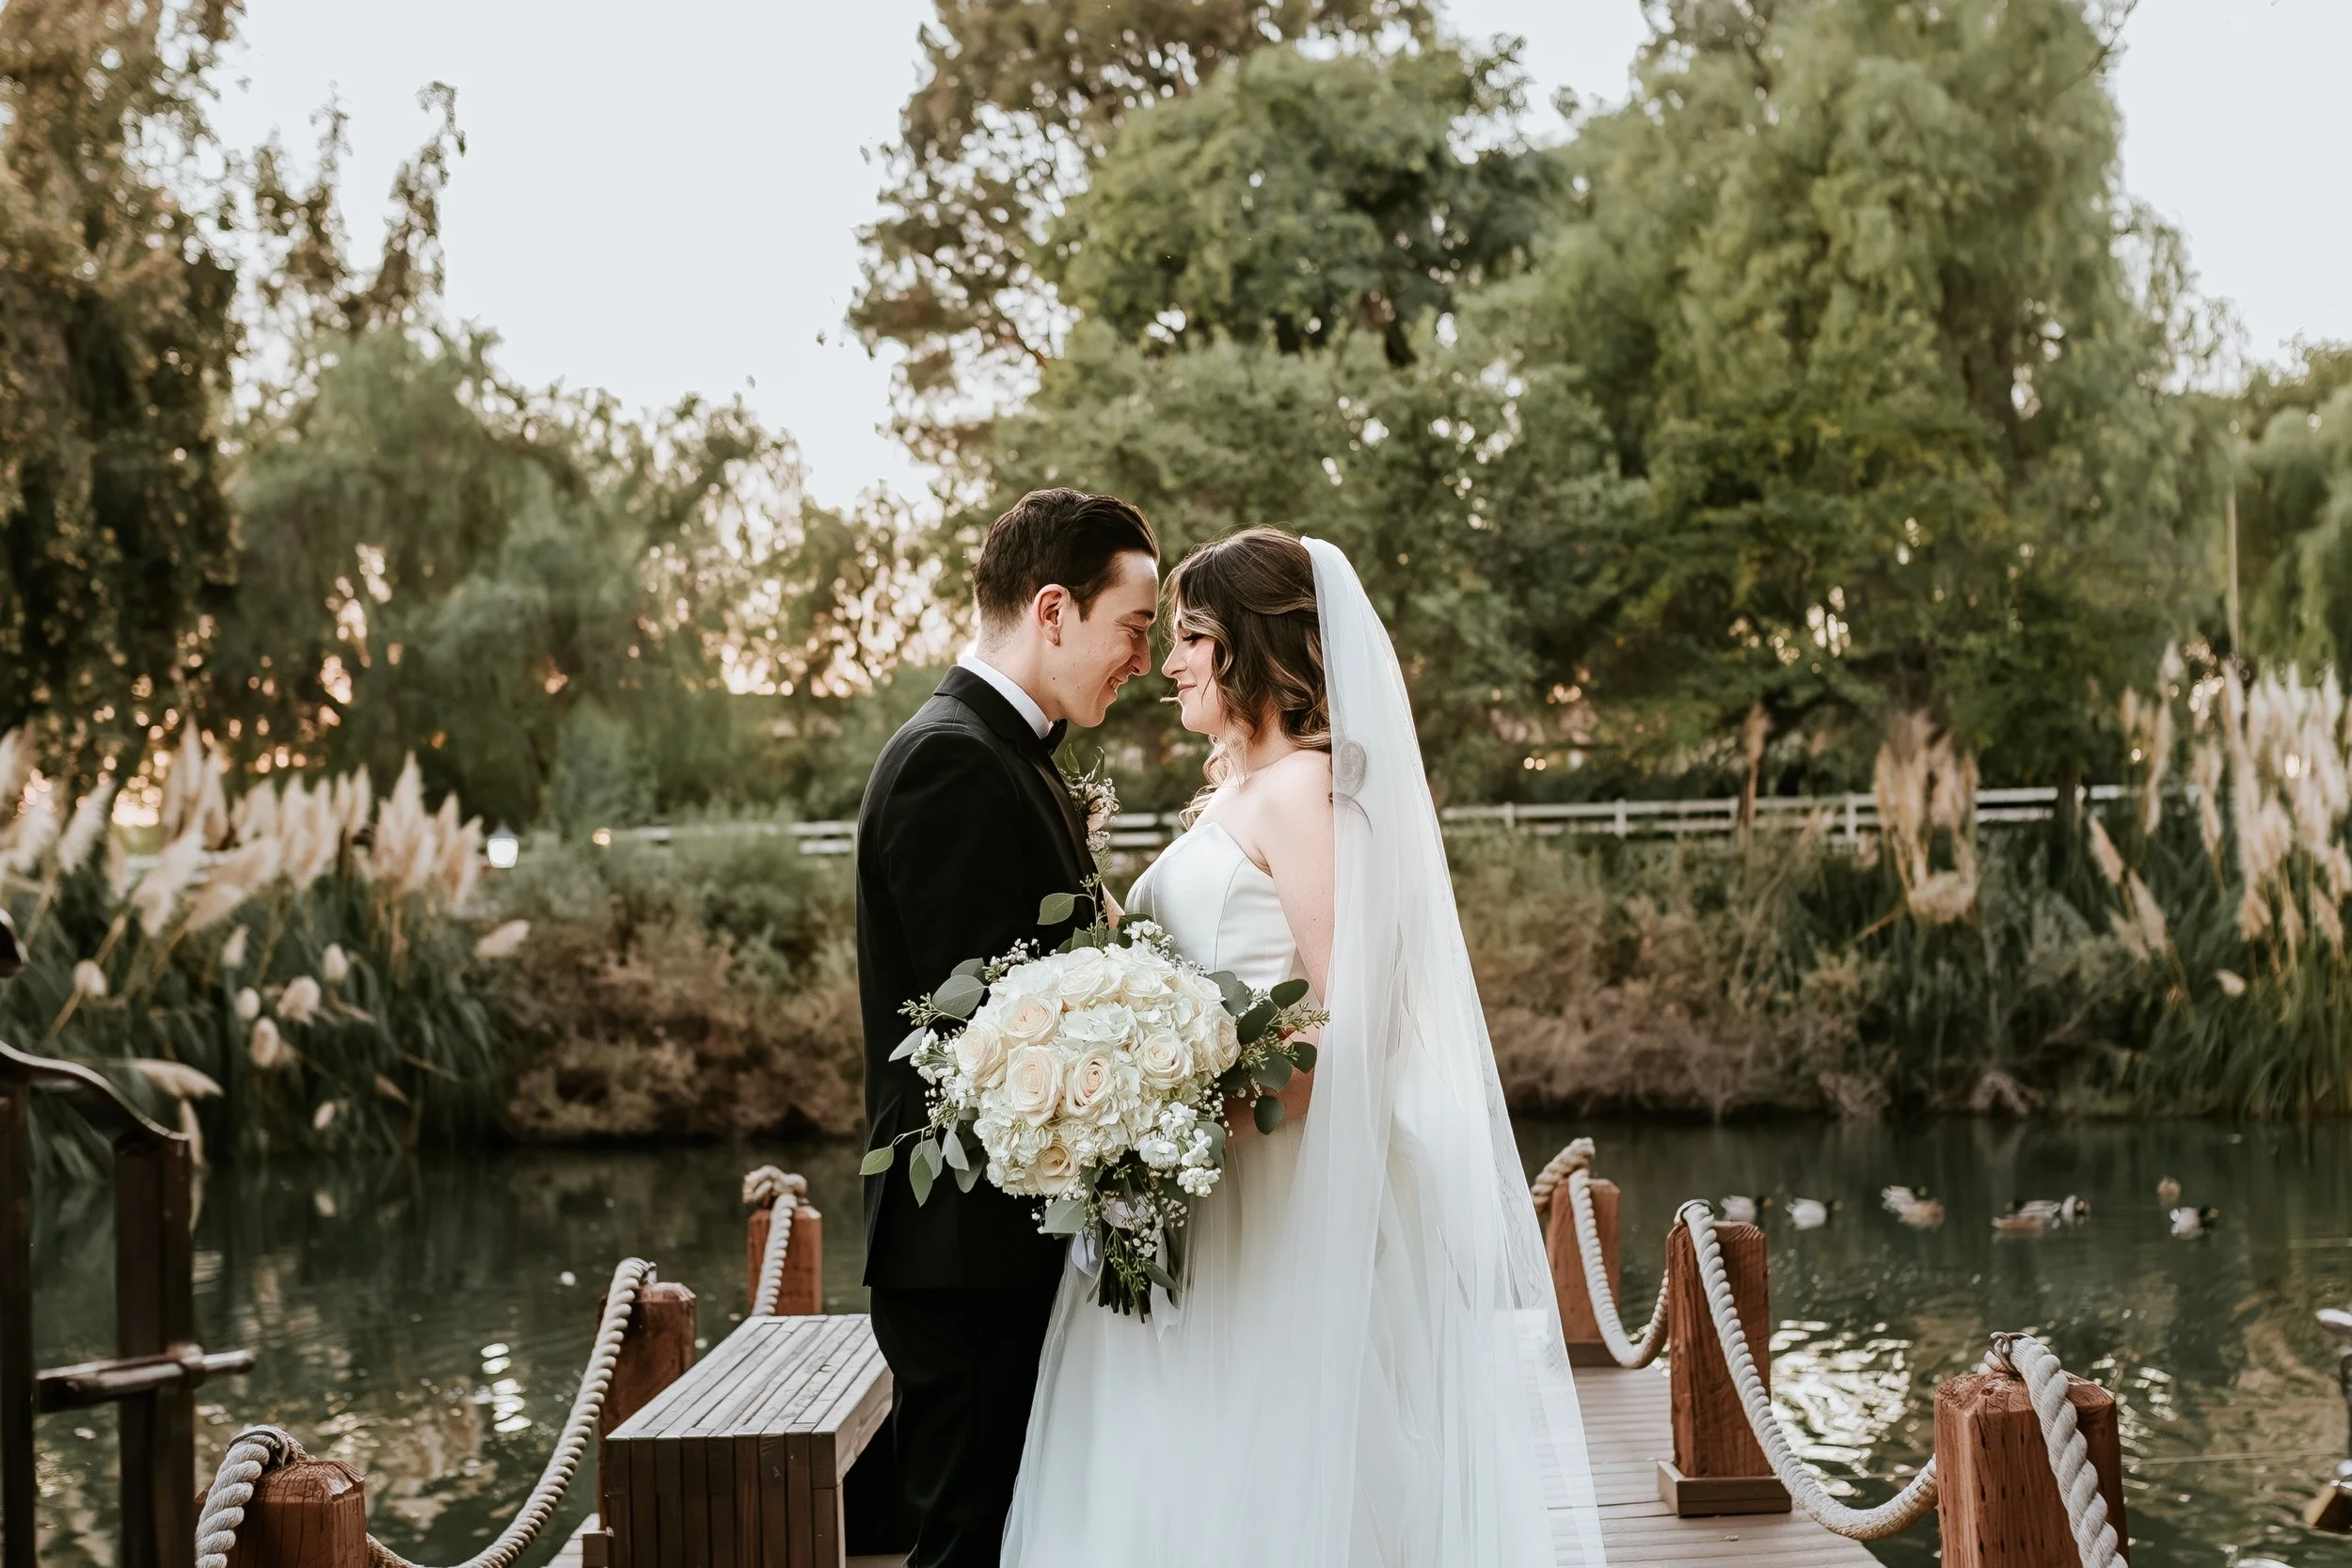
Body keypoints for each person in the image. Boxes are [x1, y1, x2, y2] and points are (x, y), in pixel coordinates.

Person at [1002, 528, 1606, 1568]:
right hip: (1201, 1188)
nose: (1169, 662)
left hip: (1274, 1190)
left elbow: (1352, 1017)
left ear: (1254, 647)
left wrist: (1184, 1114)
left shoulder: (1307, 791)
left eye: (1189, 636)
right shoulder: (1236, 793)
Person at [854, 487, 1160, 1568]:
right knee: (969, 1542)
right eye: (1133, 625)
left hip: (1000, 1240)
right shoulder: (952, 760)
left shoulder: (1009, 753)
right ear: (1050, 610)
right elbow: (985, 1032)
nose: (1143, 656)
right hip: (965, 1248)